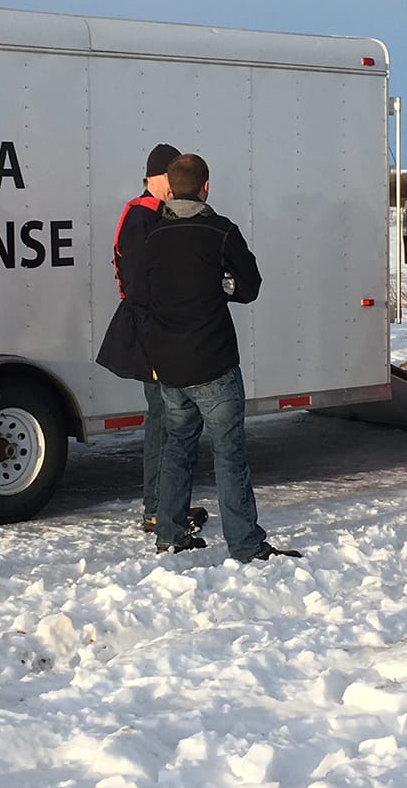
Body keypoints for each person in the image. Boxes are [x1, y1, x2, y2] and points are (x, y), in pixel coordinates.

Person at [128, 153, 299, 561]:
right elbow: (250, 286)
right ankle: (244, 543)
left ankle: (170, 536)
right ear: (206, 187)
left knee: (176, 448)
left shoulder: (153, 237)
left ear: (170, 187)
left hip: (169, 367)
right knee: (229, 453)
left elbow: (141, 296)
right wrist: (221, 286)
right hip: (213, 363)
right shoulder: (220, 232)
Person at [95, 142, 206, 536]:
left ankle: (165, 504)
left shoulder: (147, 214)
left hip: (156, 332)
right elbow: (147, 287)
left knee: (168, 418)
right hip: (153, 334)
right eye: (171, 177)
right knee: (163, 421)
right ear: (156, 177)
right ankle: (157, 508)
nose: (176, 186)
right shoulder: (144, 219)